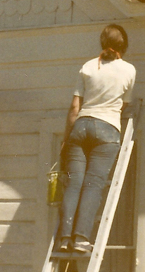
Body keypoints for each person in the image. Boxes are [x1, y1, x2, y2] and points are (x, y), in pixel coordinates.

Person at [57, 24, 136, 254]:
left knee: (74, 184)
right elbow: (125, 104)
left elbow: (74, 106)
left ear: (102, 43)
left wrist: (66, 138)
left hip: (81, 127)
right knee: (93, 185)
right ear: (124, 45)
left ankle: (64, 237)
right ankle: (81, 238)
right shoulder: (129, 70)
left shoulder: (89, 66)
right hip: (107, 128)